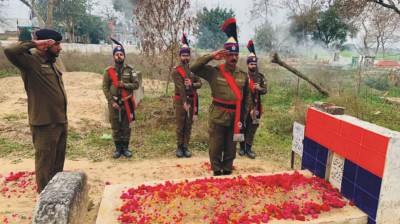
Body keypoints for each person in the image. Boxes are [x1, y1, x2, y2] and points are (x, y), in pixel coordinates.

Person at [3, 29, 67, 193]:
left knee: (57, 162)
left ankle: (55, 193)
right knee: (45, 164)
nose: (60, 48)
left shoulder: (51, 64)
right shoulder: (30, 63)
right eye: (57, 44)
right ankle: (46, 198)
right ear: (46, 45)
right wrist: (34, 43)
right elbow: (9, 50)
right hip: (44, 123)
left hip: (59, 121)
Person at [190, 18, 251, 176]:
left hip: (235, 117)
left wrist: (243, 119)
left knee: (231, 147)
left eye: (236, 55)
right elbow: (194, 68)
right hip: (218, 115)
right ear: (224, 55)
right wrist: (211, 56)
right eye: (230, 54)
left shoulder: (243, 76)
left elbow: (246, 99)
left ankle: (227, 171)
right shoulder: (214, 72)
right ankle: (217, 172)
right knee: (216, 146)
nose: (233, 58)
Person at [102, 37, 139, 159]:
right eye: (117, 54)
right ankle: (118, 148)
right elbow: (105, 87)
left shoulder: (130, 70)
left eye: (121, 54)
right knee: (115, 126)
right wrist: (111, 102)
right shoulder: (108, 71)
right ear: (113, 57)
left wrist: (125, 85)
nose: (119, 56)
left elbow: (136, 84)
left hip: (127, 102)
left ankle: (126, 148)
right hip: (114, 103)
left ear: (124, 56)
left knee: (126, 125)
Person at [172, 33, 202, 158]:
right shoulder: (176, 71)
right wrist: (184, 102)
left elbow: (200, 83)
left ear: (190, 57)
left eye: (187, 55)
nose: (185, 57)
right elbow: (180, 87)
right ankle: (179, 147)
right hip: (180, 100)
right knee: (180, 124)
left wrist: (193, 84)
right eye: (183, 55)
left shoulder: (194, 69)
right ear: (180, 56)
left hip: (192, 100)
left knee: (188, 125)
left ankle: (186, 147)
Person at [239, 40, 268, 159]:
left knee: (252, 128)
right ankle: (241, 147)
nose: (253, 66)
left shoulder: (260, 77)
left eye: (255, 64)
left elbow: (265, 91)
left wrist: (259, 88)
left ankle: (248, 148)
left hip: (256, 107)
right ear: (247, 64)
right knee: (242, 126)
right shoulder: (243, 76)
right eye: (251, 64)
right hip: (245, 107)